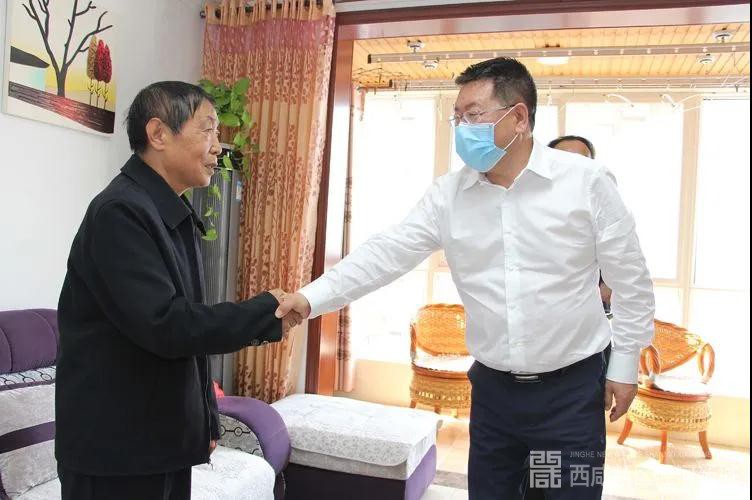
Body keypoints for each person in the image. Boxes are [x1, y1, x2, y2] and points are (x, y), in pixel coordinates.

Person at [276, 58, 655, 499]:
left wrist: (625, 365)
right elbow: (386, 253)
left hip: (570, 395)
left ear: (519, 117)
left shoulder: (585, 182)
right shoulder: (448, 196)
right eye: (457, 117)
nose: (461, 128)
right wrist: (310, 298)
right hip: (494, 394)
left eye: (473, 115)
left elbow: (631, 280)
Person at [55, 81, 300, 500]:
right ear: (158, 133)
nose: (218, 146)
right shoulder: (120, 212)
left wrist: (204, 420)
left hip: (157, 442)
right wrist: (265, 311)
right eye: (207, 130)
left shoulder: (167, 210)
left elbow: (187, 337)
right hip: (116, 452)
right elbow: (167, 324)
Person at [548, 135, 613, 317]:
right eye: (563, 159)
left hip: (587, 316)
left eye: (581, 161)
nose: (572, 167)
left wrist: (607, 285)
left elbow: (619, 258)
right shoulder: (525, 203)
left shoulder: (601, 204)